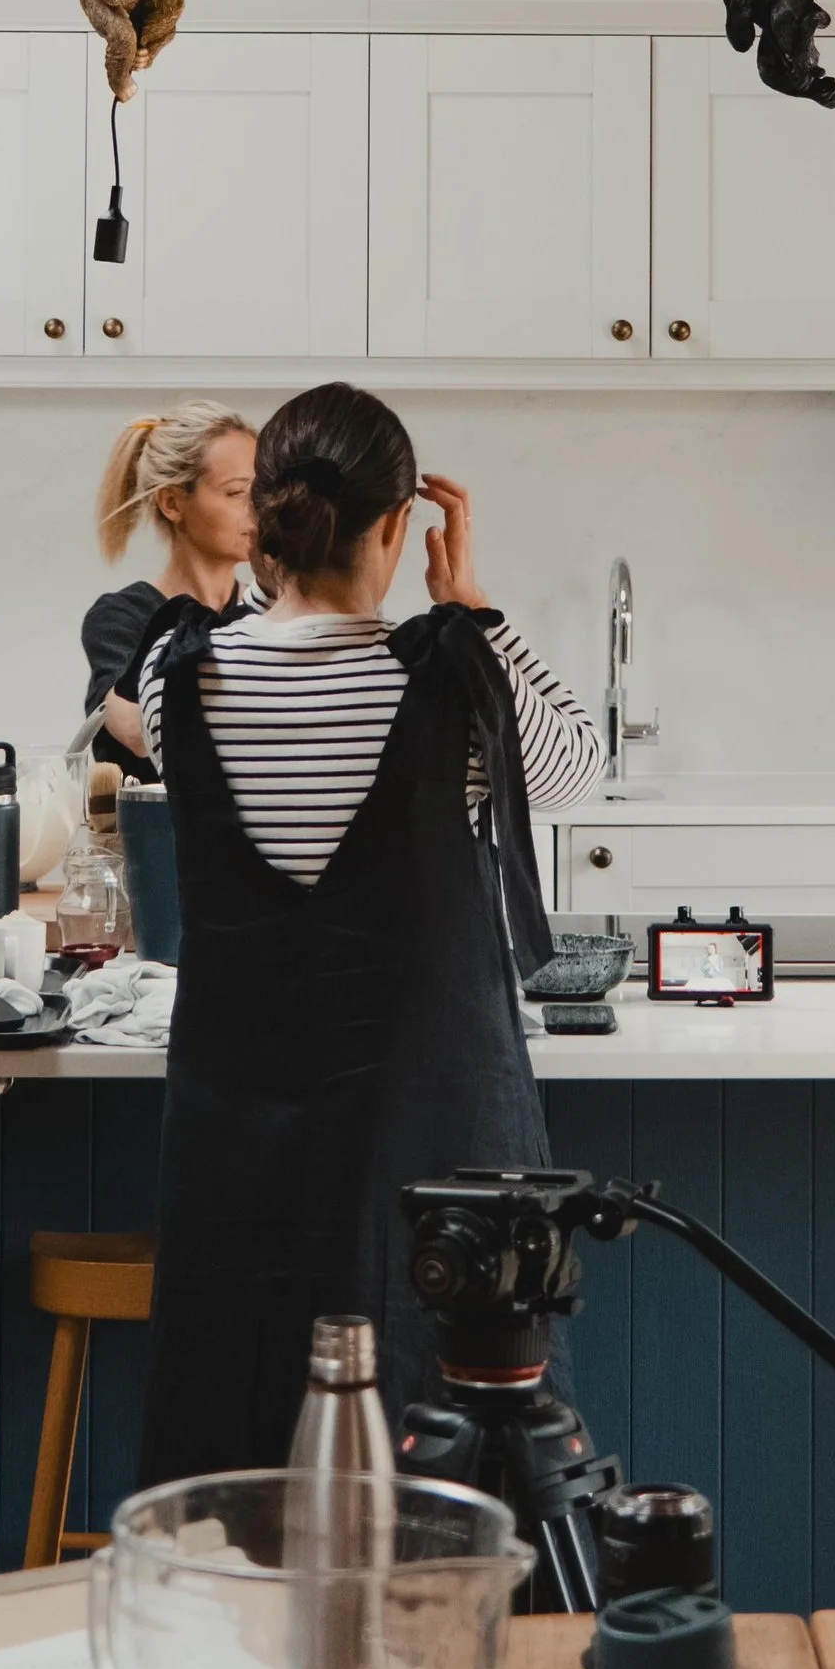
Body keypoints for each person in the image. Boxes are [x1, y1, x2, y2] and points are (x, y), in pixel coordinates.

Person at [135, 383, 604, 1476]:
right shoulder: (449, 682)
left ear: (266, 525)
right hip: (436, 1164)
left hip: (238, 1163)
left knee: (243, 1462)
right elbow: (577, 764)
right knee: (451, 1474)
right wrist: (475, 605)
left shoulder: (179, 676)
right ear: (399, 525)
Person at [81, 404, 258, 779]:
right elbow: (134, 728)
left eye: (263, 490)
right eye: (237, 492)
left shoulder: (272, 608)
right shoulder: (120, 619)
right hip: (146, 835)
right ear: (173, 502)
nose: (258, 509)